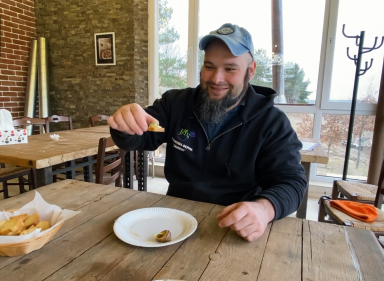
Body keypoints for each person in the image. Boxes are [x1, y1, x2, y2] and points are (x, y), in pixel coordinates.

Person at [108, 23, 307, 242]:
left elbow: (292, 182)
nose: (216, 78)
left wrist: (264, 209)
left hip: (233, 226)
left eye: (230, 68)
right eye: (209, 66)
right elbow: (139, 137)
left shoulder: (272, 122)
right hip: (176, 220)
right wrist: (124, 125)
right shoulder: (175, 104)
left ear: (250, 70)